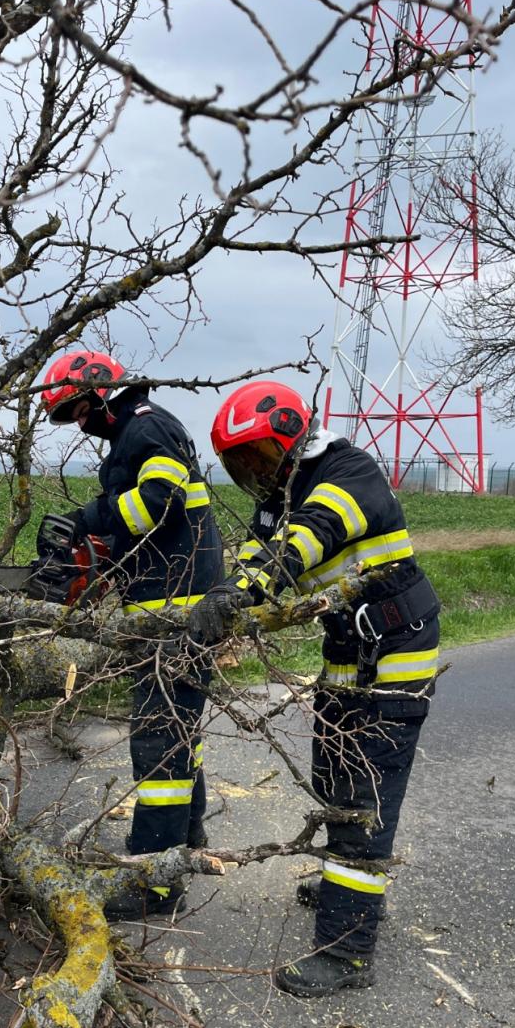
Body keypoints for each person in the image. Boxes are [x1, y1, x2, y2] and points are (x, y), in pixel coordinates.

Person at [187, 380, 440, 996]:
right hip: (348, 650)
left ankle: (347, 951)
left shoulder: (349, 474)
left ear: (294, 438)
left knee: (363, 794)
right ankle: (347, 887)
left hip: (395, 650)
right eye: (242, 465)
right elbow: (259, 557)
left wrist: (242, 590)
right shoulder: (277, 498)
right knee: (332, 773)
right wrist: (219, 606)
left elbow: (307, 538)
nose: (255, 473)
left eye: (260, 457)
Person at [40, 348, 224, 920]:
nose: (79, 424)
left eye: (78, 411)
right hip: (166, 601)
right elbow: (144, 527)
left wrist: (88, 521)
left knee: (159, 740)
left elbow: (160, 504)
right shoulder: (132, 435)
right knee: (178, 733)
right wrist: (98, 563)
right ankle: (186, 838)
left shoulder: (146, 429)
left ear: (100, 393)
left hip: (176, 609)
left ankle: (154, 882)